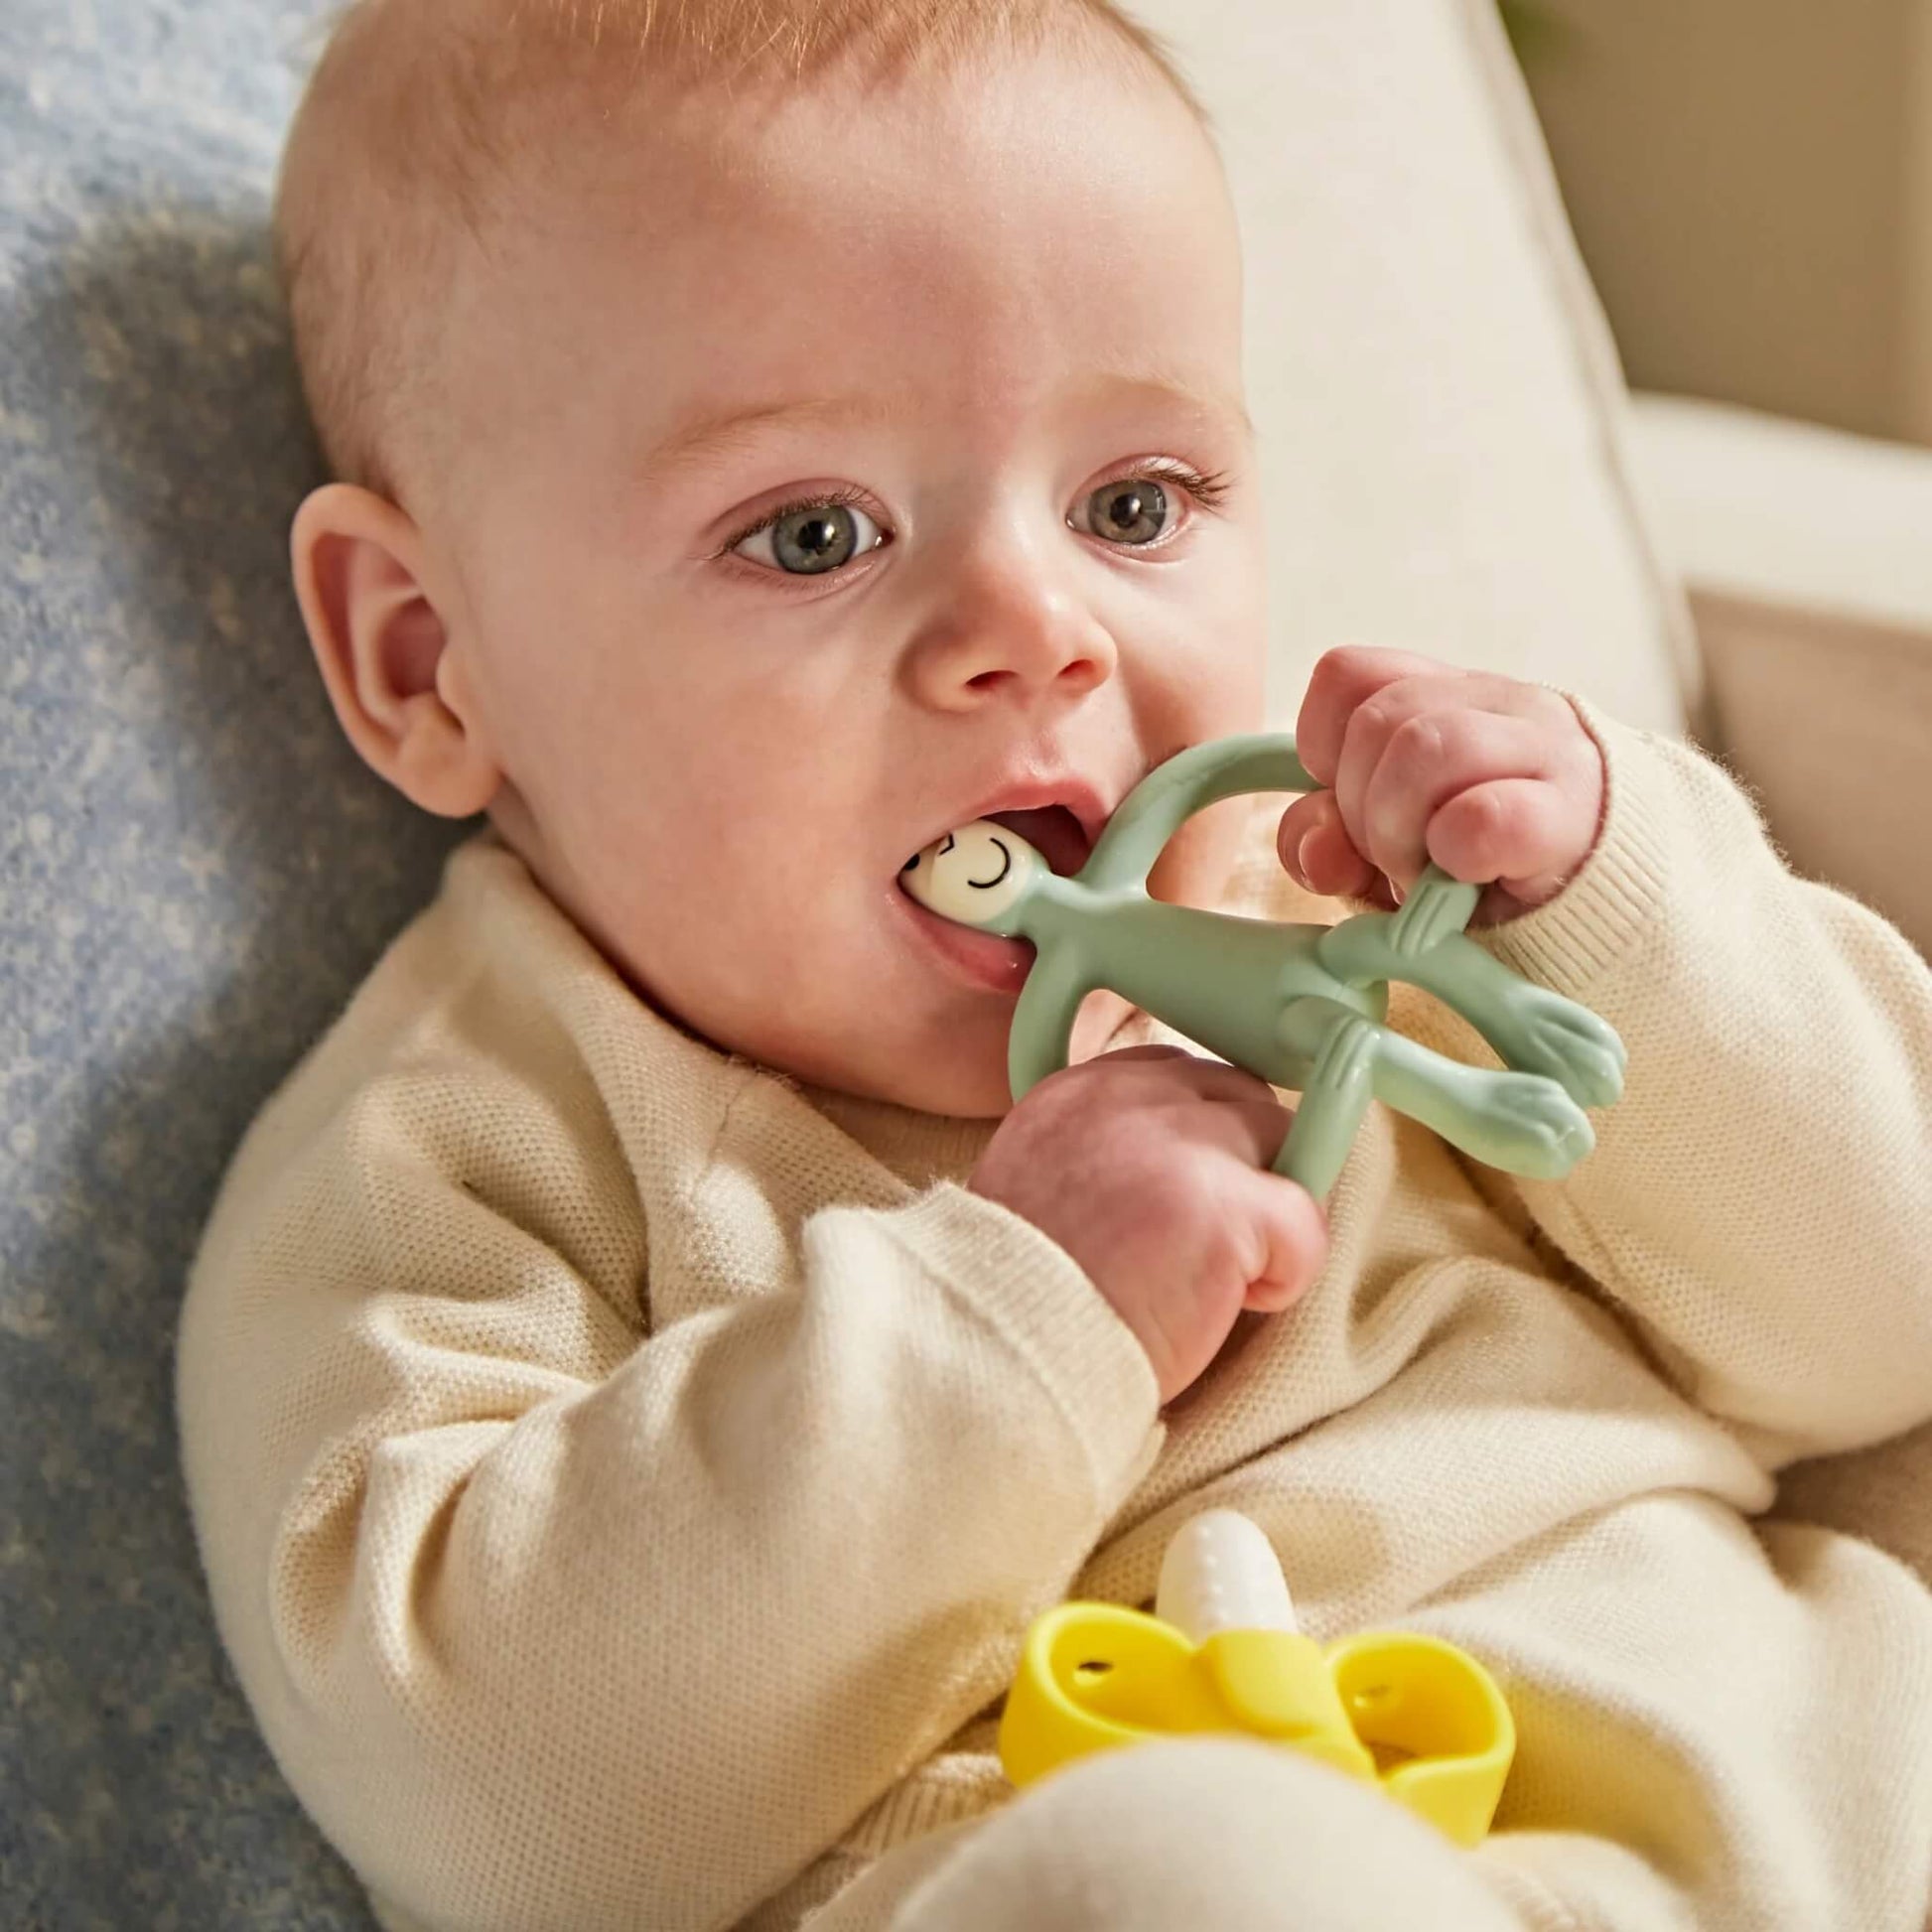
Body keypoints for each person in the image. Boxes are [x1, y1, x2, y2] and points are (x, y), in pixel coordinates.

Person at [175, 1, 1932, 1927]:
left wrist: (1610, 904)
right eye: (815, 531)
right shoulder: (461, 1144)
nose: (1039, 626)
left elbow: (1878, 1321)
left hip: (1800, 1799)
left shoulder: (1357, 899)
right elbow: (493, 1798)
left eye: (1132, 505)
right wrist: (1022, 1310)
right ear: (427, 657)